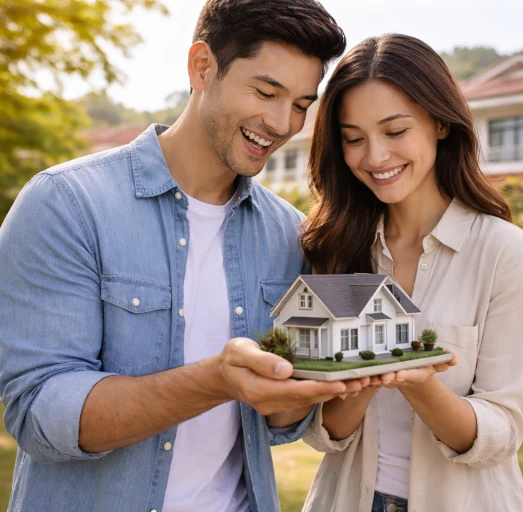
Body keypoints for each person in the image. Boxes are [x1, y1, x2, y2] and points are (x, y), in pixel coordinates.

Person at [0, 1, 367, 511]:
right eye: (266, 92)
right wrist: (214, 381)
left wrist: (321, 386)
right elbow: (40, 416)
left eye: (303, 105)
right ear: (202, 66)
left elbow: (276, 426)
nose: (283, 123)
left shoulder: (289, 234)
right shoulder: (66, 204)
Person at [299, 34, 523, 512]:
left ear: (438, 122)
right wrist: (368, 373)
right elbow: (321, 430)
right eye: (354, 139)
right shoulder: (334, 247)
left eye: (394, 131)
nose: (374, 157)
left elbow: (501, 432)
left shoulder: (507, 253)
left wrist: (416, 379)